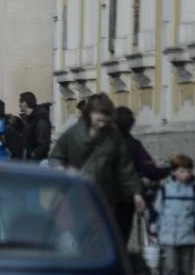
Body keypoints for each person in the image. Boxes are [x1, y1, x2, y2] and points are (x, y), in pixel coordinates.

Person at [50, 94, 145, 230]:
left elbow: (125, 167)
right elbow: (56, 157)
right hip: (75, 195)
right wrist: (62, 170)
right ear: (89, 114)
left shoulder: (113, 136)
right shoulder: (73, 134)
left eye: (105, 121)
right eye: (98, 120)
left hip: (104, 197)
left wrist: (136, 193)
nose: (101, 125)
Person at [112, 106, 170, 249]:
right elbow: (151, 171)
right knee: (121, 236)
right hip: (126, 199)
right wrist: (170, 169)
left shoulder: (103, 144)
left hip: (103, 197)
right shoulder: (134, 145)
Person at [18, 92, 52, 161]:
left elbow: (43, 145)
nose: (19, 105)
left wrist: (32, 155)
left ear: (26, 103)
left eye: (21, 102)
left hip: (36, 163)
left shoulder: (41, 120)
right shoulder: (28, 119)